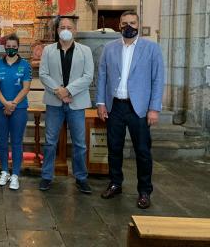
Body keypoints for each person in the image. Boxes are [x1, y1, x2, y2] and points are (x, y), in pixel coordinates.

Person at [97, 11, 164, 209]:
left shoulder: (152, 48)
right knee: (114, 148)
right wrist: (101, 103)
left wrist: (154, 108)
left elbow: (158, 79)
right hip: (115, 106)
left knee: (142, 151)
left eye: (132, 23)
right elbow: (102, 76)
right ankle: (115, 183)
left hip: (139, 108)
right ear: (119, 25)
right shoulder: (109, 48)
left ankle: (144, 191)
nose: (129, 26)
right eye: (125, 23)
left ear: (138, 24)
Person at [39, 17, 94, 194]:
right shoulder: (48, 50)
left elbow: (88, 76)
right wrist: (59, 91)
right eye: (62, 27)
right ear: (57, 31)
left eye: (69, 27)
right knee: (50, 142)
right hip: (54, 102)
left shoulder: (85, 51)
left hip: (76, 103)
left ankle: (81, 177)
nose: (65, 29)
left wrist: (68, 91)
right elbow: (43, 74)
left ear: (75, 30)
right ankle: (47, 176)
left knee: (79, 143)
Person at [0, 33, 32, 190]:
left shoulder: (25, 65)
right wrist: (5, 103)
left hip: (19, 108)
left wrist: (13, 103)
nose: (11, 49)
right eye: (8, 47)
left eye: (14, 47)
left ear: (18, 47)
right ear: (4, 47)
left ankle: (15, 174)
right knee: (1, 141)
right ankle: (4, 171)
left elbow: (26, 87)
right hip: (0, 107)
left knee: (16, 142)